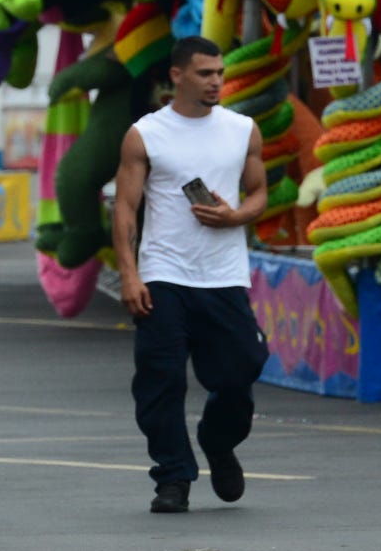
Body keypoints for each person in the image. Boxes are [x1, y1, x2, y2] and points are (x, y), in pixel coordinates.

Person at [110, 36, 270, 515]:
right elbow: (125, 207)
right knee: (160, 380)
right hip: (164, 274)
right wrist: (129, 274)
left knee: (242, 370)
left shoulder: (242, 130)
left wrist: (236, 216)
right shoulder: (145, 134)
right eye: (204, 73)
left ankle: (218, 441)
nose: (215, 81)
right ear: (177, 75)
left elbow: (259, 193)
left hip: (224, 275)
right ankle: (173, 477)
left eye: (219, 73)